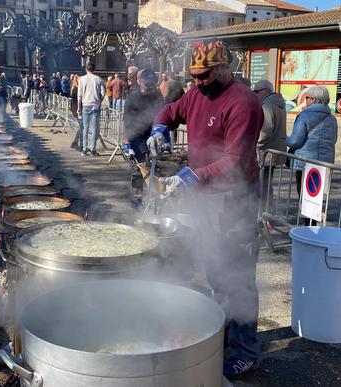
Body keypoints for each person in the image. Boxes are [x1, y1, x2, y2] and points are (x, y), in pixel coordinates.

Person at [148, 40, 264, 379]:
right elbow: (170, 111)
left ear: (223, 67)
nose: (197, 82)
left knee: (238, 274)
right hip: (206, 195)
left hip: (234, 197)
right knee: (215, 267)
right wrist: (159, 128)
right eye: (194, 76)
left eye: (204, 75)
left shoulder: (243, 103)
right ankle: (227, 331)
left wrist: (191, 175)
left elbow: (236, 160)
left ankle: (246, 351)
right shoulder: (197, 94)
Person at [286, 85, 338, 215]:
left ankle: (307, 225)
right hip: (323, 163)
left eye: (307, 98)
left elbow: (295, 141)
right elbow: (334, 140)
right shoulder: (332, 119)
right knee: (316, 195)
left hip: (304, 162)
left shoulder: (304, 116)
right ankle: (314, 221)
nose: (305, 101)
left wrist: (283, 138)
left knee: (304, 193)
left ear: (314, 99)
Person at [123, 69, 165, 203]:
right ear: (140, 81)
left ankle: (154, 200)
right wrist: (127, 143)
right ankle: (137, 200)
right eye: (147, 82)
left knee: (155, 170)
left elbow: (163, 115)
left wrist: (163, 135)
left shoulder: (157, 95)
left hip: (153, 136)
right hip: (136, 137)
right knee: (138, 170)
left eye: (152, 82)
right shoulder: (133, 96)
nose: (151, 85)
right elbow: (127, 120)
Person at [254, 79, 287, 212]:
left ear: (265, 91)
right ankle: (268, 213)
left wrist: (254, 144)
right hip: (274, 151)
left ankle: (265, 214)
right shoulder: (278, 104)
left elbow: (265, 131)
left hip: (266, 152)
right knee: (267, 185)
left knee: (263, 186)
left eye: (256, 91)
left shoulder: (267, 106)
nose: (255, 94)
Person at [77, 62, 106, 156]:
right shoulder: (98, 79)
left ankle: (84, 149)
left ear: (86, 69)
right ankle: (93, 149)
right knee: (94, 128)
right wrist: (99, 101)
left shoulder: (81, 79)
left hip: (85, 104)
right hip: (95, 105)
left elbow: (79, 95)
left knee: (85, 128)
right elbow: (103, 92)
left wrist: (79, 107)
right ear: (94, 69)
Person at [69, 75, 84, 150]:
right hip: (77, 109)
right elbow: (79, 99)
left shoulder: (74, 87)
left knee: (81, 126)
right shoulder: (76, 89)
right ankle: (78, 144)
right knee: (81, 127)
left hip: (75, 109)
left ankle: (75, 142)